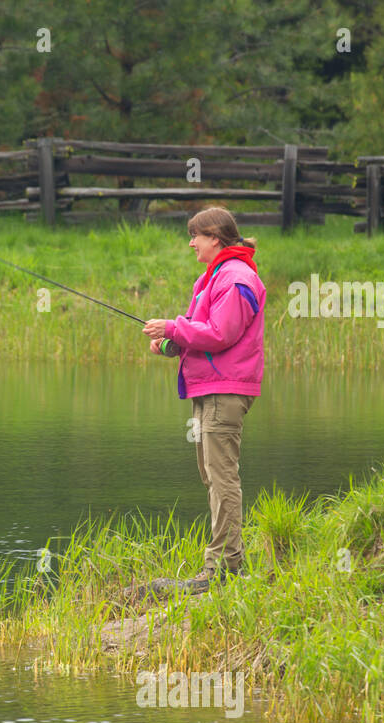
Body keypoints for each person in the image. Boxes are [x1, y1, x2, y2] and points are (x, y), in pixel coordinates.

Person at [142, 207, 265, 592]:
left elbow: (221, 333)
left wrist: (173, 326)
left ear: (215, 237)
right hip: (209, 388)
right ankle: (222, 564)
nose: (191, 242)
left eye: (195, 235)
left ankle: (225, 567)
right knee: (212, 475)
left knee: (222, 476)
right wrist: (170, 344)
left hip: (224, 390)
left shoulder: (236, 277)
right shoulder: (214, 277)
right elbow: (202, 334)